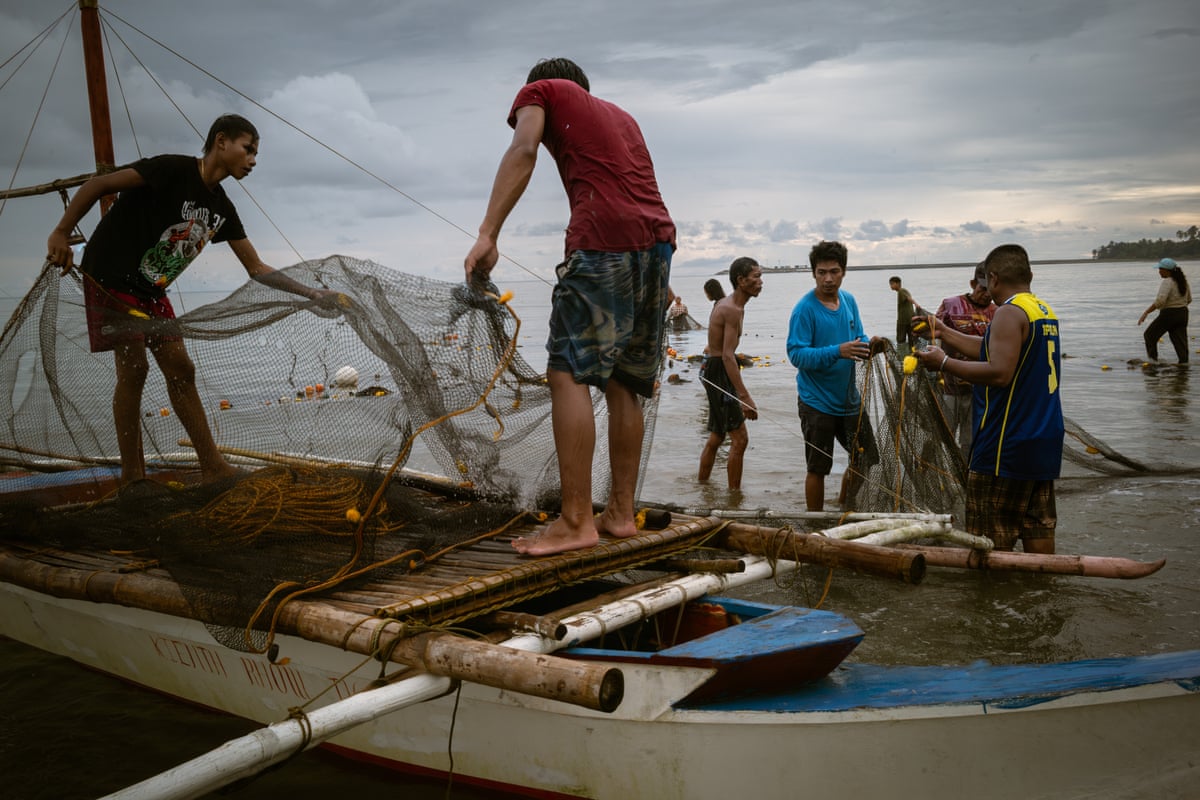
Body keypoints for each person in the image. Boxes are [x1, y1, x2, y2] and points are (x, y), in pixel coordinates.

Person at [45, 114, 339, 486]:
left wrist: (313, 294)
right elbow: (99, 184)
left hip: (150, 289)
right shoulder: (171, 170)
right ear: (221, 141)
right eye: (248, 149)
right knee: (134, 369)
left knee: (182, 369)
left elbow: (256, 268)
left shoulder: (221, 207)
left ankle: (212, 466)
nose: (252, 160)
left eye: (255, 154)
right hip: (110, 277)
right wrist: (60, 231)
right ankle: (133, 479)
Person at [464, 57, 675, 556]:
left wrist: (487, 234)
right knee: (626, 382)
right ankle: (621, 513)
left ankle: (577, 520)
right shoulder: (622, 116)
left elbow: (524, 149)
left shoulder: (541, 90)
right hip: (659, 242)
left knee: (567, 375)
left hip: (602, 239)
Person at [915, 244, 1063, 554]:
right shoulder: (1040, 309)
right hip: (1043, 442)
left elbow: (999, 372)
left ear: (993, 278)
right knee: (1038, 530)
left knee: (988, 544)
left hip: (1004, 446)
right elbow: (992, 346)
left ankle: (991, 602)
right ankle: (1040, 595)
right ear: (1029, 275)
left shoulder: (1008, 312)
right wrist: (943, 331)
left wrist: (943, 363)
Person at [786, 241, 885, 512]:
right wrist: (837, 351)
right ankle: (815, 523)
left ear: (844, 271)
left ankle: (845, 508)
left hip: (849, 400)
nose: (828, 278)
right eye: (821, 272)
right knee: (818, 468)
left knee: (865, 458)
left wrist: (869, 344)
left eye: (834, 271)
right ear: (813, 273)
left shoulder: (849, 301)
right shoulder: (804, 309)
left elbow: (859, 337)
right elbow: (796, 355)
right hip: (816, 402)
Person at [698, 257, 762, 490]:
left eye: (760, 276)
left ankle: (702, 488)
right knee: (740, 439)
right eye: (755, 277)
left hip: (712, 368)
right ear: (741, 280)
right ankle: (734, 498)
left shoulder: (729, 305)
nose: (760, 282)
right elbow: (726, 356)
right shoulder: (731, 309)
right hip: (718, 370)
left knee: (717, 435)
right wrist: (744, 397)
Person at [928, 261, 996, 461]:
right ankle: (931, 475)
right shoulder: (950, 304)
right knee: (940, 436)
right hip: (949, 388)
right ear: (972, 283)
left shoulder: (998, 312)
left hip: (980, 392)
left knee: (971, 441)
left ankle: (966, 478)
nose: (987, 294)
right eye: (983, 289)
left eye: (991, 290)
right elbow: (932, 335)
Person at [1137, 257, 1191, 364]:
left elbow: (1160, 301)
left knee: (1149, 335)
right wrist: (1179, 307)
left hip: (1169, 314)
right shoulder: (1183, 282)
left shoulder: (1168, 281)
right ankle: (1184, 366)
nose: (1159, 271)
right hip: (1183, 313)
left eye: (1160, 269)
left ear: (1167, 270)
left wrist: (1146, 312)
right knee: (1180, 343)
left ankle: (1153, 362)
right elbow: (1189, 299)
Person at [889, 276, 918, 353]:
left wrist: (916, 304)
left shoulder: (901, 291)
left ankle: (902, 355)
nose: (891, 286)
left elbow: (909, 298)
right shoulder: (901, 291)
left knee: (900, 340)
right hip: (909, 319)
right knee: (911, 339)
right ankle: (912, 353)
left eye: (892, 284)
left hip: (903, 321)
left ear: (898, 283)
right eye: (890, 284)